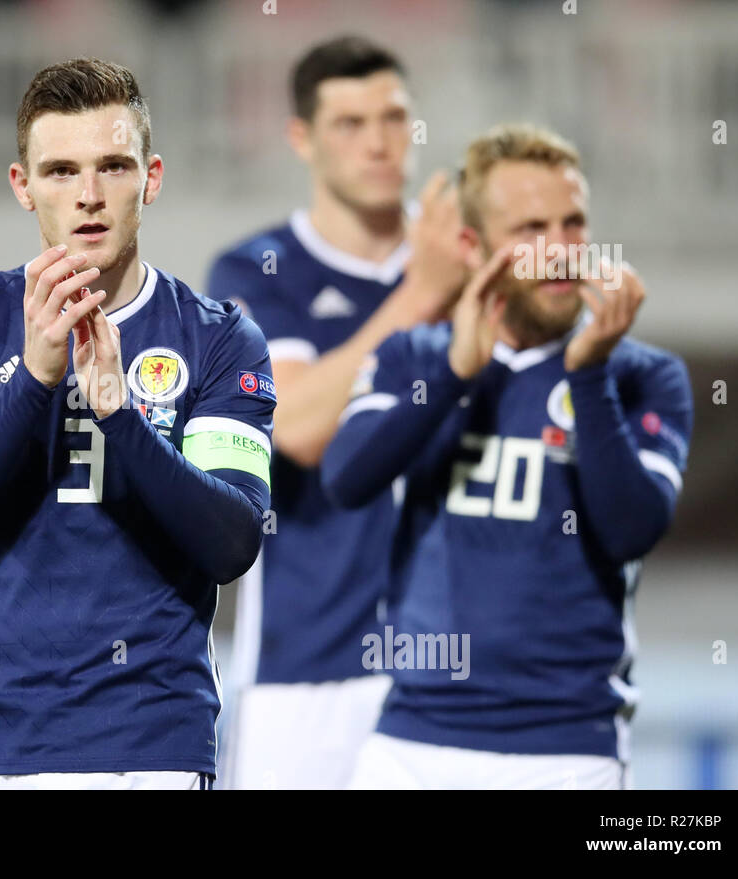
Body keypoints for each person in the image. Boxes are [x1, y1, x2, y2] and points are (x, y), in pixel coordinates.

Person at [0, 58, 274, 790]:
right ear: (23, 186)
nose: (90, 197)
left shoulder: (220, 337)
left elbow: (232, 541)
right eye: (61, 171)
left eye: (113, 166)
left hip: (152, 747)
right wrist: (37, 380)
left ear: (153, 177)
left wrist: (119, 414)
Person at [324, 124, 693, 789]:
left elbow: (632, 529)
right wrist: (455, 374)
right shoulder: (415, 356)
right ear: (474, 246)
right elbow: (346, 479)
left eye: (573, 223)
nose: (560, 250)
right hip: (411, 740)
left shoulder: (643, 375)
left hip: (567, 750)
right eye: (530, 229)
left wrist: (587, 376)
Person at [206, 35, 467, 788]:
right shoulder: (258, 270)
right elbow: (297, 425)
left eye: (394, 118)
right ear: (302, 139)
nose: (380, 143)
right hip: (305, 672)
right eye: (350, 124)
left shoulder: (470, 259)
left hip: (451, 666)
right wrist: (422, 295)